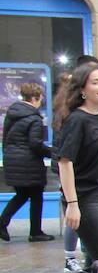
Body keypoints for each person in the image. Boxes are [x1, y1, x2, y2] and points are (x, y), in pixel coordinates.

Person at [55, 61, 98, 265]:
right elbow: (65, 162)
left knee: (94, 264)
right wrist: (73, 204)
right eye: (96, 82)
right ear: (83, 89)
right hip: (86, 198)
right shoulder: (77, 120)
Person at [0, 82, 55, 241]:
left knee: (22, 194)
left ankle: (4, 222)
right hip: (29, 163)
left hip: (13, 160)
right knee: (36, 195)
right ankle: (35, 232)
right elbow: (35, 144)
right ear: (35, 98)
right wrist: (53, 153)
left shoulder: (12, 114)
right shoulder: (34, 118)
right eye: (41, 99)